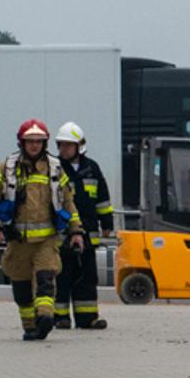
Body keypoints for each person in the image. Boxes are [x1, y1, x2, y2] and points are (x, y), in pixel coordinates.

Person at [0, 119, 83, 341]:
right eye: (30, 141)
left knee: (46, 278)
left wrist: (76, 231)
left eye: (39, 141)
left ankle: (46, 318)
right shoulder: (7, 167)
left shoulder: (55, 167)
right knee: (21, 286)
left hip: (46, 241)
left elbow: (68, 201)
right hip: (17, 241)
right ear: (22, 142)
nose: (35, 145)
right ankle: (30, 326)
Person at [52, 121, 113, 330]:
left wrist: (107, 222)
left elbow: (103, 199)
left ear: (80, 145)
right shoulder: (55, 168)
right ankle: (60, 318)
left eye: (68, 145)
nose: (63, 149)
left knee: (87, 277)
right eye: (61, 145)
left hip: (88, 233)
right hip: (62, 234)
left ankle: (88, 318)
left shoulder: (91, 168)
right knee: (62, 276)